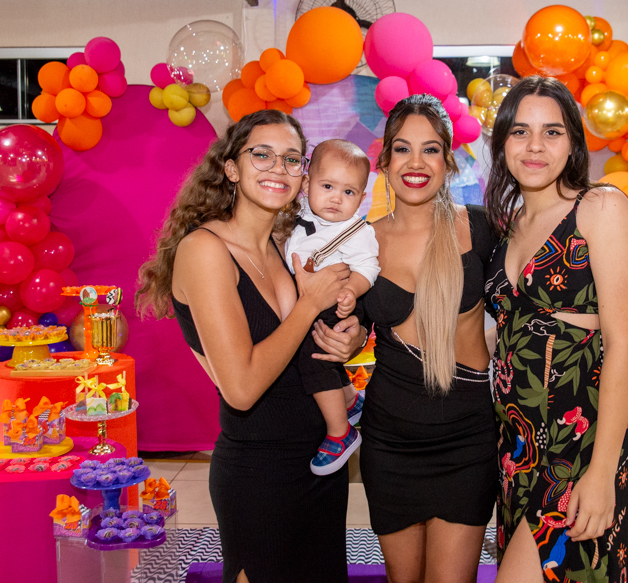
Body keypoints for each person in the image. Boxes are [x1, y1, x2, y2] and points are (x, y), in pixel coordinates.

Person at [136, 110, 367, 583]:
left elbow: (316, 331)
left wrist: (351, 338)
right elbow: (241, 389)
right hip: (259, 470)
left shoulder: (286, 243)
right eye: (262, 155)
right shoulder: (205, 250)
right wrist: (309, 304)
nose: (278, 168)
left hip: (322, 460)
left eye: (291, 159)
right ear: (232, 168)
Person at [483, 77, 628, 582]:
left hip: (580, 445)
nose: (534, 146)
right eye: (520, 131)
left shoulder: (600, 208)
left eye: (551, 132)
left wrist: (600, 473)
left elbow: (624, 345)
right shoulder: (507, 226)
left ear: (573, 142)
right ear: (502, 143)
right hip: (518, 450)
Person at [359, 94, 499, 583]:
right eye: (402, 149)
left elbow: (525, 310)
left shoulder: (480, 229)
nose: (416, 163)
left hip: (467, 440)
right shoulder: (362, 242)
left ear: (449, 160)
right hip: (390, 441)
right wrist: (341, 338)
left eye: (431, 149)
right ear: (384, 160)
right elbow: (350, 328)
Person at [285, 139, 380, 476]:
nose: (336, 198)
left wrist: (352, 291)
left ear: (362, 197)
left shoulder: (355, 231)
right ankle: (350, 399)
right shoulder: (297, 216)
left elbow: (369, 267)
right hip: (307, 300)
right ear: (306, 184)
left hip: (334, 303)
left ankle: (340, 433)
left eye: (349, 192)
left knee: (314, 359)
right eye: (327, 187)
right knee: (319, 356)